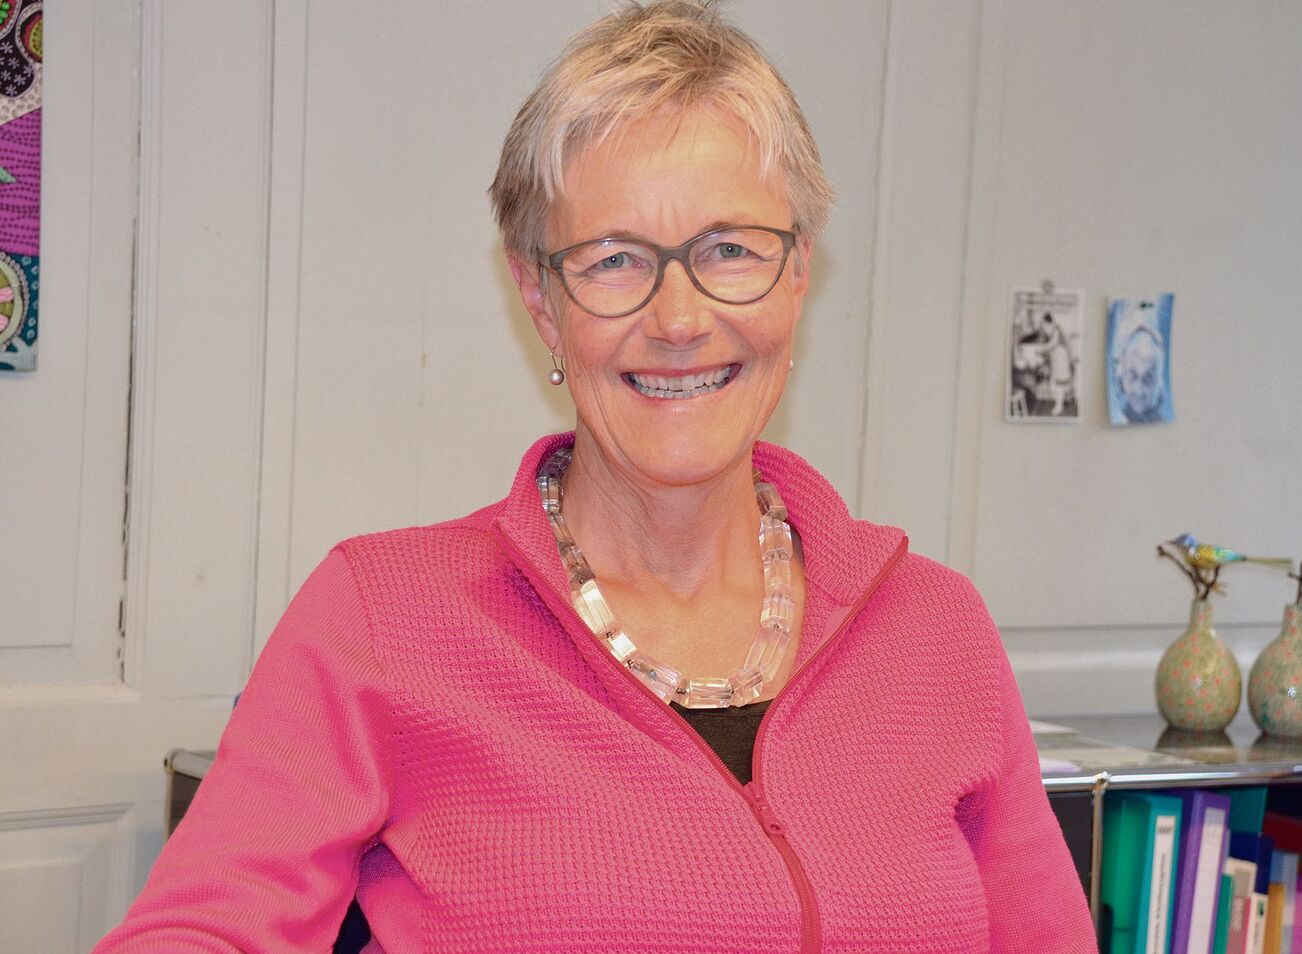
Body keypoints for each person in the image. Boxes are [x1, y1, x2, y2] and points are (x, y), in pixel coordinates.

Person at [95, 3, 1096, 950]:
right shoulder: (382, 620)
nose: (679, 319)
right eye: (615, 260)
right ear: (540, 299)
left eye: (730, 250)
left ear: (797, 276)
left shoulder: (936, 629)